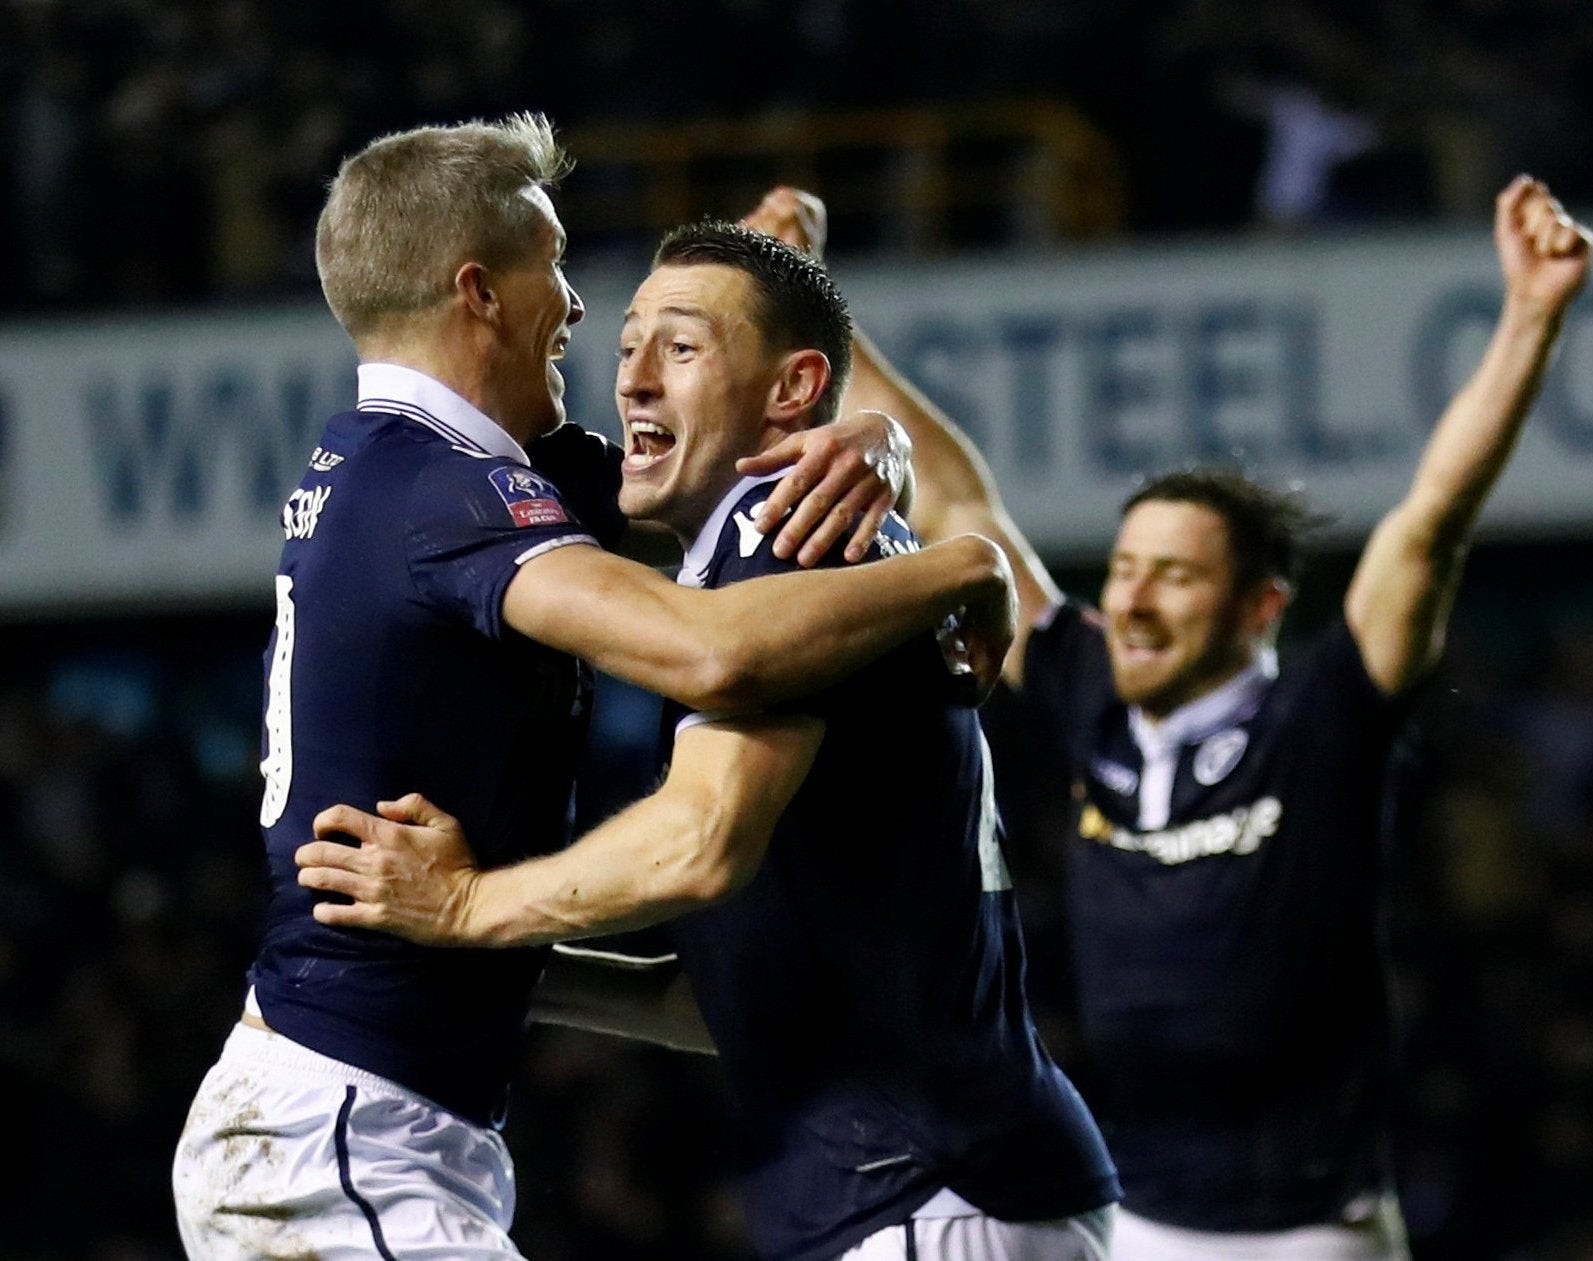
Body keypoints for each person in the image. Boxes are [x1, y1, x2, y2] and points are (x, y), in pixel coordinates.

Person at [170, 115, 1016, 1261]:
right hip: (335, 1140)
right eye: (554, 263)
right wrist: (963, 565)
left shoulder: (437, 469)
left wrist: (865, 432)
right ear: (480, 292)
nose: (573, 307)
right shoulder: (444, 494)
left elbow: (719, 466)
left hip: (367, 1128)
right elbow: (715, 651)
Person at [742, 178, 1593, 1258]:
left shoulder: (1319, 719)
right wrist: (814, 301)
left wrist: (1530, 315)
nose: (1133, 599)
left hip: (1306, 1231)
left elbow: (1427, 527)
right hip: (1137, 1219)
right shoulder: (1092, 690)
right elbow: (963, 511)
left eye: (1176, 578)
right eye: (1127, 569)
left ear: (1260, 608)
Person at [295, 217, 1122, 1261]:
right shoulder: (762, 561)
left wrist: (467, 904)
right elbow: (732, 994)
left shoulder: (781, 534)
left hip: (934, 1189)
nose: (632, 379)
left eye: (678, 348)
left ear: (792, 390)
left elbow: (696, 845)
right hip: (955, 1184)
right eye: (628, 342)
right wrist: (493, 958)